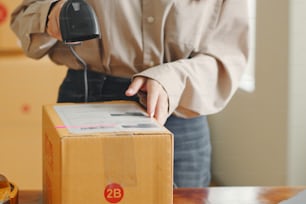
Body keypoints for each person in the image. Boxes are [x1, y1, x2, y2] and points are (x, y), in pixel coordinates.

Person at [10, 0, 249, 187]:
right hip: (87, 98)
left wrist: (172, 80)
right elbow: (24, 17)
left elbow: (228, 56)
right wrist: (50, 15)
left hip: (180, 107)